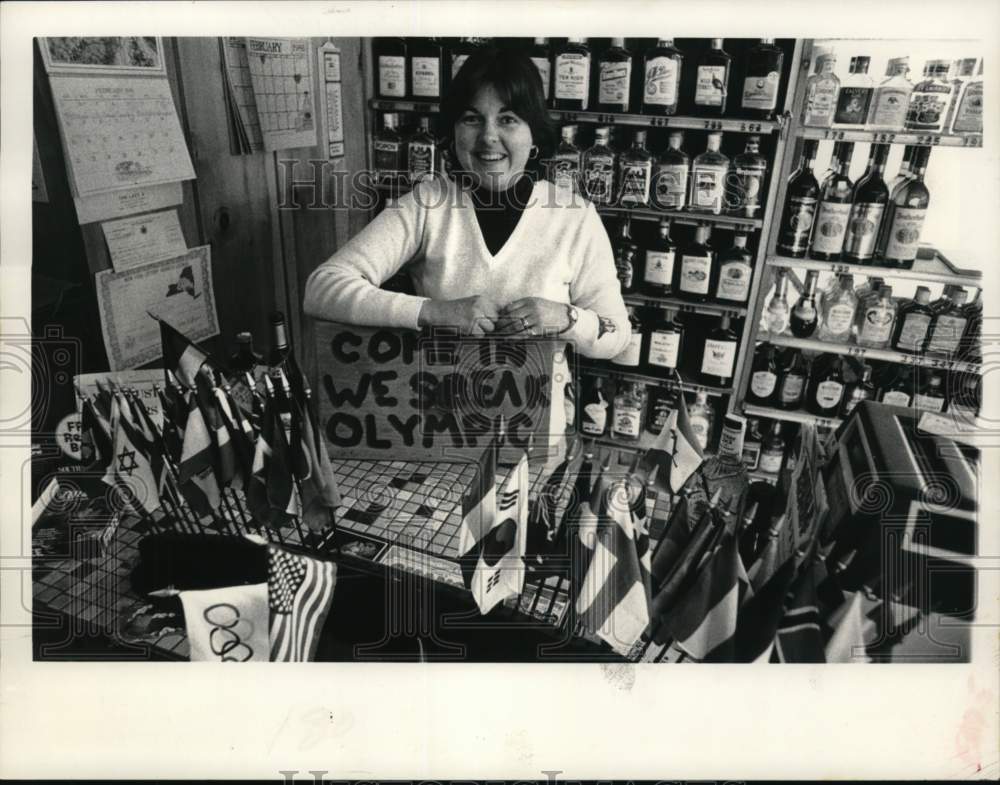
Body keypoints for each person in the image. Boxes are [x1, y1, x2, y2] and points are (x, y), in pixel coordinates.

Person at [303, 46, 630, 441]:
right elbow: (322, 287)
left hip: (532, 438)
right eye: (472, 119)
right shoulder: (427, 204)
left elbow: (618, 337)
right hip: (435, 432)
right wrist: (435, 312)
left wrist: (567, 319)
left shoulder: (574, 216)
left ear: (534, 133)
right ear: (454, 131)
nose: (488, 137)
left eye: (508, 119)